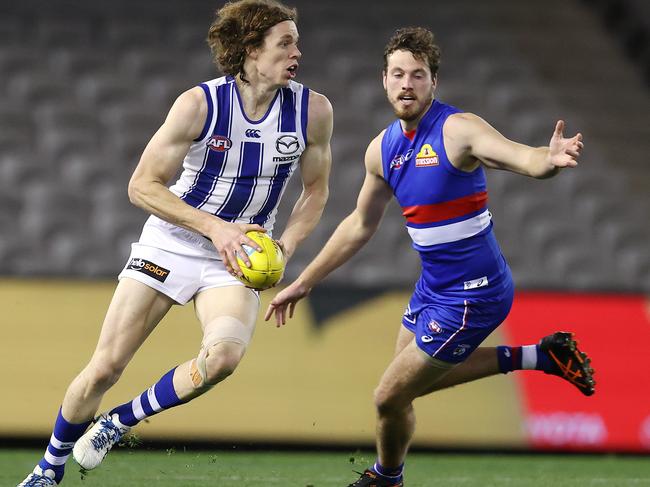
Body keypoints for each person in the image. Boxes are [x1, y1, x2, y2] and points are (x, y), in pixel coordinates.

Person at [18, 0, 333, 485]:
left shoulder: (312, 111)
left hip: (241, 255)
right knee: (104, 369)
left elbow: (316, 191)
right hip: (171, 244)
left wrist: (286, 245)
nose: (297, 52)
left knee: (223, 357)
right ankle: (49, 466)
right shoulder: (200, 104)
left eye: (296, 41)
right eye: (285, 42)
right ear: (251, 50)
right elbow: (142, 185)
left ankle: (119, 422)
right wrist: (216, 227)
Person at [265, 27, 594, 487]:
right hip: (434, 287)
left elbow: (519, 157)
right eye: (398, 74)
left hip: (473, 294)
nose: (406, 84)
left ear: (432, 83)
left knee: (388, 396)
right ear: (383, 80)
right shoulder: (382, 149)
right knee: (406, 386)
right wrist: (305, 280)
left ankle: (386, 477)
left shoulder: (459, 130)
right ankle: (541, 357)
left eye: (417, 75)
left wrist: (547, 159)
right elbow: (360, 224)